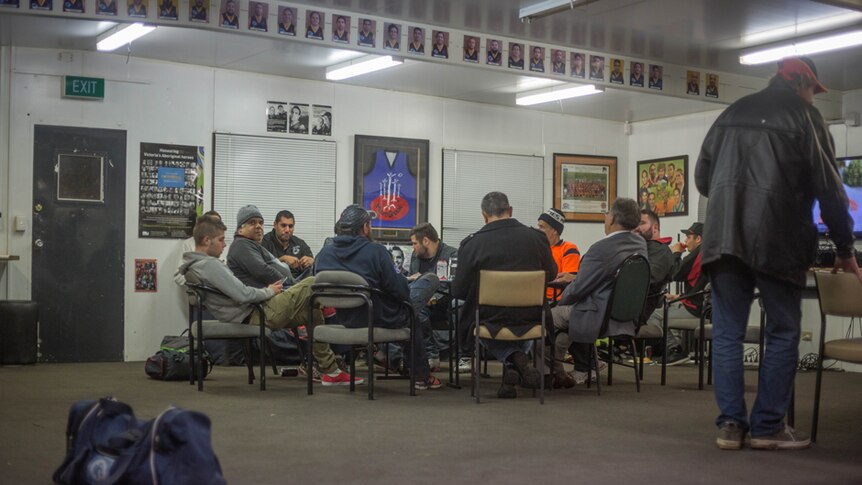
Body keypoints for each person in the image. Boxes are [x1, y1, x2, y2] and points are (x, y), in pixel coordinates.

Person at [695, 56, 862, 451]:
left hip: (722, 239)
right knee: (784, 332)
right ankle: (768, 427)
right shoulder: (806, 118)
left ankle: (731, 427)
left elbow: (703, 178)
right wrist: (844, 249)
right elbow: (830, 188)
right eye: (813, 91)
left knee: (729, 333)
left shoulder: (732, 113)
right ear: (804, 85)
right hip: (778, 239)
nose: (813, 98)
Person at [178, 215, 361, 386]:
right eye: (220, 240)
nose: (224, 244)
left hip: (254, 312)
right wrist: (270, 291)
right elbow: (243, 294)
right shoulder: (209, 265)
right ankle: (344, 316)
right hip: (257, 314)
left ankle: (330, 371)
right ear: (206, 240)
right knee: (313, 282)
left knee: (312, 311)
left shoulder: (196, 266)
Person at [314, 205, 443, 390]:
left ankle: (386, 354)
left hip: (346, 318)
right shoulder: (376, 250)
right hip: (379, 316)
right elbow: (400, 291)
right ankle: (422, 377)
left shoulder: (324, 253)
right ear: (365, 227)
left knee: (409, 308)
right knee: (427, 283)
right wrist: (405, 283)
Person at [451, 192, 556, 399]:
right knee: (514, 322)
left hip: (489, 317)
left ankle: (514, 361)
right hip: (531, 316)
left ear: (484, 215)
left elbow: (459, 290)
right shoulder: (537, 238)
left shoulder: (472, 244)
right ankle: (516, 363)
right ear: (510, 210)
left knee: (475, 317)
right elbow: (551, 274)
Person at [549, 198, 645, 388]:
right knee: (563, 323)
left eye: (607, 213)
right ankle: (584, 365)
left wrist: (560, 302)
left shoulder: (601, 249)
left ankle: (547, 372)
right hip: (624, 315)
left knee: (544, 316)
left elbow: (578, 289)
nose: (605, 217)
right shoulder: (639, 244)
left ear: (613, 219)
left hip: (596, 314)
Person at [408, 222, 458, 370]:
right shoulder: (416, 256)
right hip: (424, 303)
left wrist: (432, 296)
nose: (413, 247)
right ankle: (430, 355)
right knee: (415, 308)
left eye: (415, 243)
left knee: (460, 305)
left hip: (445, 302)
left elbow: (454, 285)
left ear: (425, 241)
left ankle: (462, 355)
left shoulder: (452, 255)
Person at [632, 209, 682, 357]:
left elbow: (648, 279)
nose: (637, 227)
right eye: (635, 224)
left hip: (633, 309)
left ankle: (674, 348)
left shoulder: (661, 252)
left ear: (655, 228)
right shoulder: (635, 248)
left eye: (642, 223)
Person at [536, 208, 580, 300]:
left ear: (554, 230)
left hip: (554, 300)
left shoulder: (569, 248)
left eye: (542, 227)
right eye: (538, 226)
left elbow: (568, 280)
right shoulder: (537, 247)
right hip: (534, 296)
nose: (538, 230)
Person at [174, 210, 226, 286]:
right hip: (200, 293)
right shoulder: (188, 244)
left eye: (218, 224)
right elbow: (178, 277)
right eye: (211, 224)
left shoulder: (223, 245)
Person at [261, 210, 314, 279]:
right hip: (276, 282)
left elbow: (312, 261)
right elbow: (259, 267)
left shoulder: (299, 243)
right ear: (275, 225)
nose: (287, 230)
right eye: (283, 225)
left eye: (290, 226)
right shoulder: (264, 242)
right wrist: (281, 260)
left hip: (298, 281)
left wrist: (311, 261)